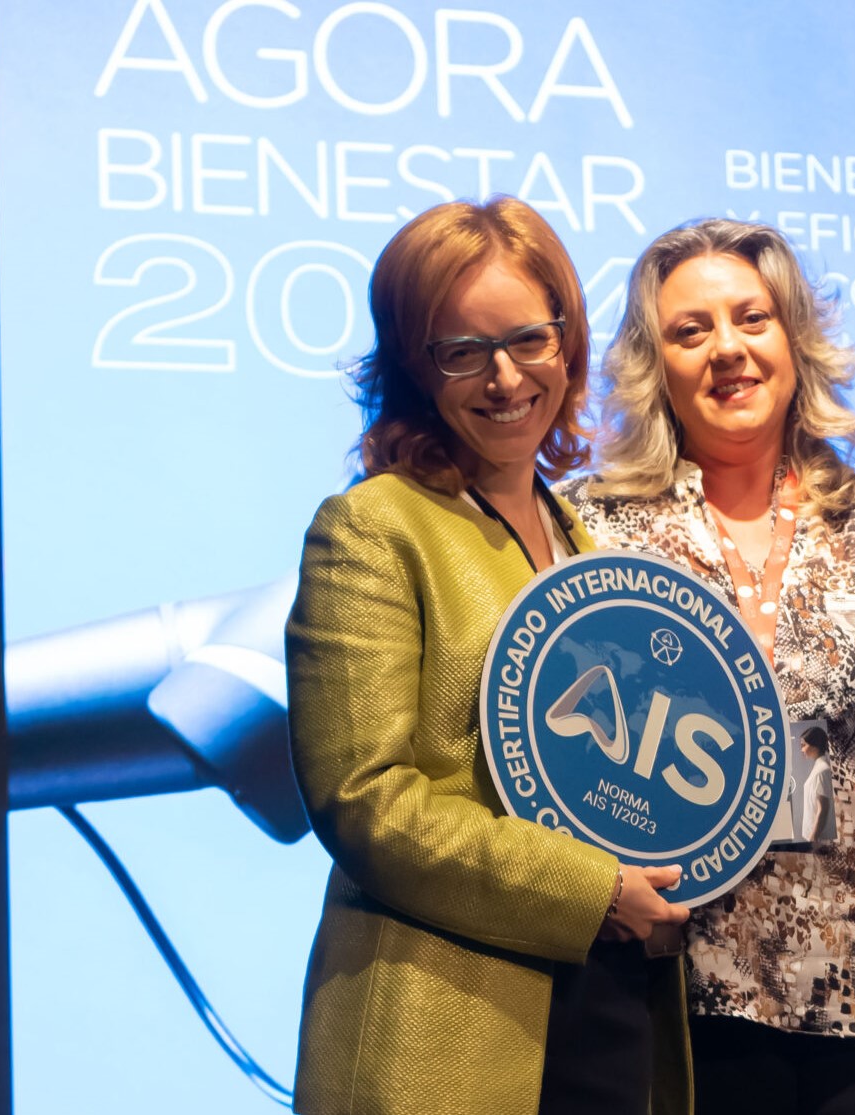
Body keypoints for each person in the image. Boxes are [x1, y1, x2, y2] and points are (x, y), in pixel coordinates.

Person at [561, 219, 855, 1115]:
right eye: (692, 331)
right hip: (677, 1000)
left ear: (794, 341)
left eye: (750, 318)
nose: (727, 348)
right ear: (657, 367)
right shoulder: (594, 529)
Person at [285, 196, 691, 1115]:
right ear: (412, 368)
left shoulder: (587, 544)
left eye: (527, 340)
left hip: (608, 1018)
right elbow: (365, 801)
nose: (505, 377)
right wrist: (590, 888)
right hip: (443, 1032)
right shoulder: (374, 528)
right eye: (462, 350)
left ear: (567, 340)